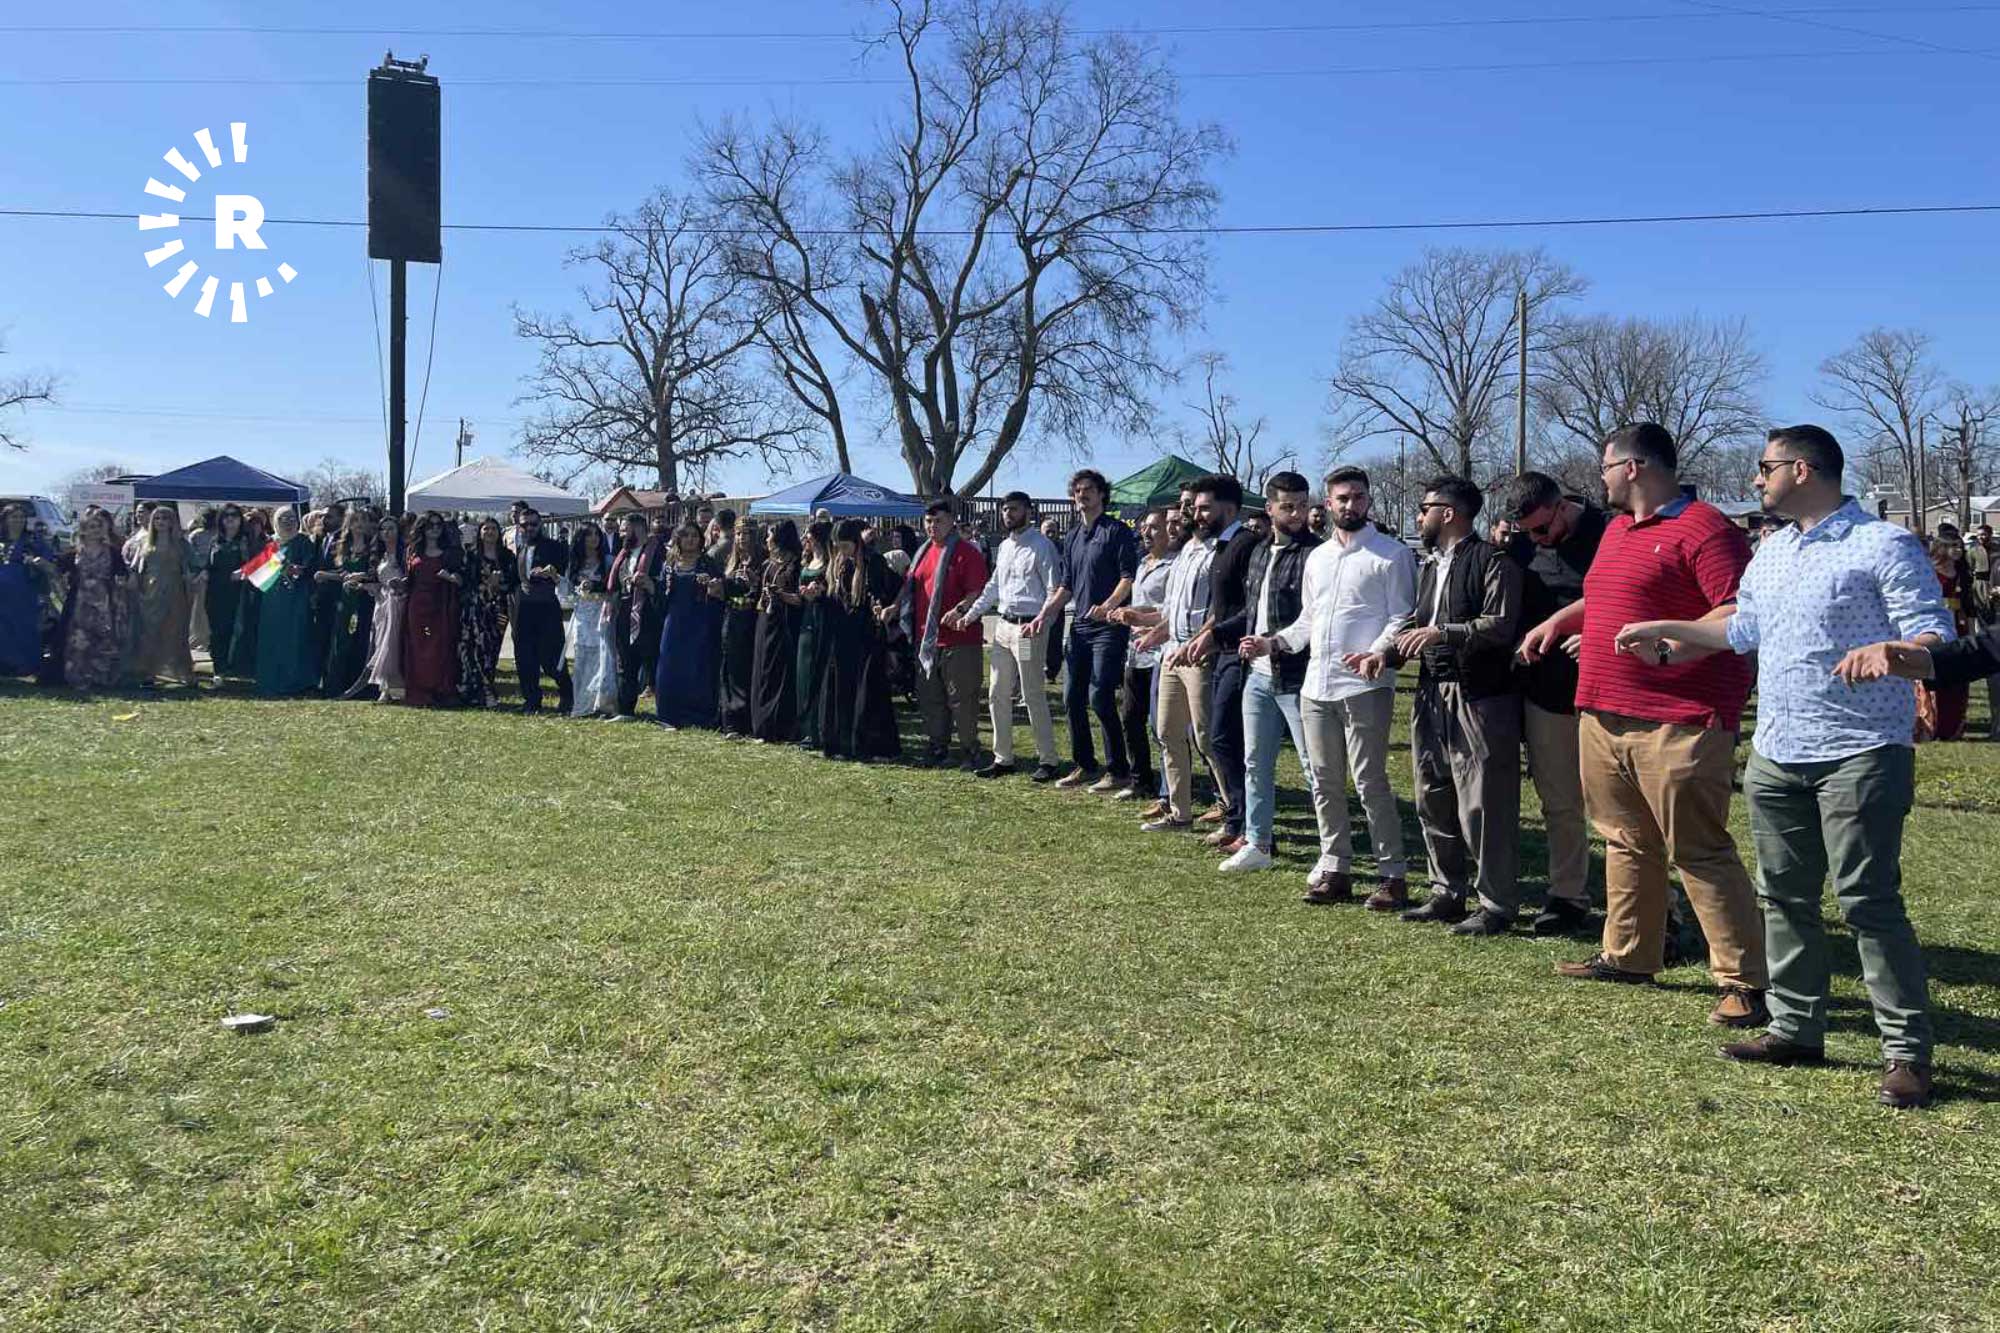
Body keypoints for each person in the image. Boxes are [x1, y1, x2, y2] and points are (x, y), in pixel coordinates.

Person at [1619, 425, 1952, 1110]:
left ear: (1801, 469)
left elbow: (1933, 633)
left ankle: (1906, 1052)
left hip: (1861, 750)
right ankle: (1796, 1029)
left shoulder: (1882, 544)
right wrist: (1670, 633)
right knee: (1784, 898)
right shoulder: (1770, 551)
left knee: (1868, 902)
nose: (1755, 479)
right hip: (1778, 751)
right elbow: (1739, 631)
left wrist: (1895, 651)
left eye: (1763, 467)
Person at [1521, 422, 1770, 1027]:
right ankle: (1630, 953)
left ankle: (1743, 979)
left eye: (1605, 466)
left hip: (1680, 717)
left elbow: (1739, 612)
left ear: (1633, 467)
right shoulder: (1616, 531)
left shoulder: (1706, 529)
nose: (1600, 478)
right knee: (1623, 838)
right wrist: (1559, 621)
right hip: (1603, 710)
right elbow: (1610, 597)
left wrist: (1671, 645)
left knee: (1698, 848)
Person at [1246, 467, 1418, 906]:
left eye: (1358, 497)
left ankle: (1392, 875)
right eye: (1342, 498)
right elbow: (1309, 620)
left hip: (1364, 686)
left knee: (1369, 782)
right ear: (1328, 503)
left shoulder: (1392, 554)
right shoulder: (1318, 558)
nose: (1350, 505)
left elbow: (1402, 616)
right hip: (1315, 686)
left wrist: (1378, 652)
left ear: (1368, 501)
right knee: (1323, 783)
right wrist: (1274, 642)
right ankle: (1335, 868)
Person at [1380, 476, 1524, 934]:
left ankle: (1495, 904)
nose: (1418, 516)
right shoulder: (1429, 566)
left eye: (1424, 508)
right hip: (1430, 691)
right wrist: (1383, 653)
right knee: (1432, 794)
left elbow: (1500, 625)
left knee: (1482, 803)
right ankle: (1446, 891)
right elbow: (1418, 622)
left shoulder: (1493, 561)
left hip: (1479, 695)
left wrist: (1444, 633)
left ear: (1447, 513)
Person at [1500, 471, 1610, 935]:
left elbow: (1634, 599)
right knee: (1560, 803)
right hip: (1546, 693)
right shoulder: (1523, 547)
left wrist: (1596, 634)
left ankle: (1658, 909)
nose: (1537, 539)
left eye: (1543, 528)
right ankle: (1567, 895)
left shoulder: (1610, 534)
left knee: (1620, 810)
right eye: (1527, 532)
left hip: (1606, 691)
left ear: (1563, 505)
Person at [1221, 473, 1323, 871]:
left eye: (1302, 505)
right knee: (1255, 762)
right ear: (1269, 508)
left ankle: (1331, 851)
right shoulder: (1260, 551)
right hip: (1258, 675)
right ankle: (1258, 842)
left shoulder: (1316, 554)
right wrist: (1231, 637)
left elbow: (1313, 619)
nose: (1297, 514)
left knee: (1314, 767)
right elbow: (1252, 610)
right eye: (1288, 506)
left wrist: (1274, 642)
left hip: (1298, 676)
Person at [1031, 470, 1140, 792]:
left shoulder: (1117, 531)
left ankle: (1118, 770)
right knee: (1071, 697)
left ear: (1102, 494)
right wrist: (1044, 615)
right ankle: (1086, 765)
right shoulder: (1073, 536)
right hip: (1079, 627)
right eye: (1077, 490)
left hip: (1109, 628)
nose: (1082, 494)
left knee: (1100, 696)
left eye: (1089, 489)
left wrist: (1108, 606)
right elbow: (1066, 585)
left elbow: (1128, 578)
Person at [1133, 485, 1227, 833]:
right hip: (1173, 652)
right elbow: (1173, 610)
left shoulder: (1220, 550)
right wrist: (1156, 633)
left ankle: (1234, 813)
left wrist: (1200, 640)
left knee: (1206, 737)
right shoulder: (1186, 550)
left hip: (1201, 655)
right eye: (1186, 506)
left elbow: (1221, 609)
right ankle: (1179, 812)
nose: (1188, 513)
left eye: (1194, 506)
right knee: (1167, 732)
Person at [954, 492, 1062, 781]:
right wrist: (970, 615)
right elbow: (993, 587)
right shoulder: (1003, 547)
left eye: (1014, 509)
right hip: (1003, 629)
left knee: (1031, 693)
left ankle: (1048, 760)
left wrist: (1042, 622)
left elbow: (1054, 591)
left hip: (1027, 632)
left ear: (1028, 511)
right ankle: (1003, 758)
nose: (1008, 514)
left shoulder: (1042, 546)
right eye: (1005, 510)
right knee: (997, 693)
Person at [1180, 475, 1260, 850]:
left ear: (1228, 509)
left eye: (1204, 508)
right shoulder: (1221, 547)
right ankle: (1238, 820)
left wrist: (1215, 635)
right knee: (1222, 738)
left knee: (1228, 738)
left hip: (1242, 654)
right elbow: (1221, 608)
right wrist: (1206, 637)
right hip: (1222, 652)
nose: (1196, 514)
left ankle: (1246, 824)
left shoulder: (1246, 545)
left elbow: (1251, 608)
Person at [891, 501, 988, 769]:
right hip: (926, 640)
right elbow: (909, 585)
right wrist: (893, 608)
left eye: (939, 521)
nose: (932, 526)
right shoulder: (922, 552)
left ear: (952, 521)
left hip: (960, 639)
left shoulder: (967, 553)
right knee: (930, 697)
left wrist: (960, 609)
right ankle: (938, 746)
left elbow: (977, 590)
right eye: (928, 521)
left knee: (962, 698)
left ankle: (970, 750)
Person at [1105, 507, 1174, 805]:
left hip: (1162, 653)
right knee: (1131, 718)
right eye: (1144, 527)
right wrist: (1123, 613)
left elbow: (1170, 612)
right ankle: (1141, 780)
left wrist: (1137, 615)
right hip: (1137, 653)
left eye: (1154, 527)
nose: (1146, 533)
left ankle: (1170, 788)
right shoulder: (1143, 563)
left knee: (1162, 726)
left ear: (1170, 531)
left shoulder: (1175, 565)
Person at [819, 519, 902, 761]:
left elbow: (888, 589)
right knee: (841, 688)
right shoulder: (838, 564)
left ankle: (875, 746)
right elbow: (834, 596)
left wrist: (881, 605)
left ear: (856, 543)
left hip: (867, 635)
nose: (841, 551)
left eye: (845, 546)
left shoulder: (873, 562)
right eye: (837, 546)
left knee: (869, 690)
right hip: (843, 635)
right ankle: (842, 743)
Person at [42, 509, 129, 690]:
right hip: (79, 602)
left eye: (99, 526)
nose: (96, 530)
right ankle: (77, 675)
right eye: (91, 527)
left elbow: (122, 573)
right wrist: (41, 564)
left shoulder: (113, 552)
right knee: (78, 640)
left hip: (104, 602)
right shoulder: (73, 553)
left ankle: (101, 677)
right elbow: (56, 571)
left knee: (103, 638)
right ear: (83, 530)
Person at [652, 522, 723, 729]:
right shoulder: (669, 564)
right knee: (670, 665)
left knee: (697, 665)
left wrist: (712, 585)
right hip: (674, 621)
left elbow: (720, 589)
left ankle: (698, 715)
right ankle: (669, 714)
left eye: (694, 536)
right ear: (679, 539)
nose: (690, 540)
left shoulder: (707, 563)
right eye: (686, 535)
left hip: (700, 620)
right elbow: (662, 595)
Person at [508, 507, 572, 715]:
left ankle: (567, 695)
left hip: (546, 607)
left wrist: (551, 573)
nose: (529, 528)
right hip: (522, 609)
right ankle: (532, 701)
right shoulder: (520, 548)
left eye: (533, 524)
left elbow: (563, 572)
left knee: (551, 656)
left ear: (540, 524)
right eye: (524, 525)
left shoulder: (555, 547)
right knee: (524, 657)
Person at [128, 504, 198, 688]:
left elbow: (196, 564)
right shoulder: (145, 543)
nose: (160, 522)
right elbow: (135, 567)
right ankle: (149, 674)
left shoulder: (182, 544)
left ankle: (184, 673)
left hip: (175, 591)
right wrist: (133, 581)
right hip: (150, 592)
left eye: (165, 518)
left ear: (172, 522)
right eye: (157, 518)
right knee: (150, 632)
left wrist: (192, 576)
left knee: (176, 632)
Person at [252, 507, 320, 697]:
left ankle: (298, 682)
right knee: (273, 637)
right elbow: (261, 573)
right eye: (283, 518)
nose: (288, 522)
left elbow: (309, 566)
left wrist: (297, 570)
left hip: (297, 598)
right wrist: (275, 566)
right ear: (275, 521)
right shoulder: (271, 543)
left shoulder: (303, 542)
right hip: (272, 599)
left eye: (291, 518)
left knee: (296, 637)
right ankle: (271, 679)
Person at [607, 513, 666, 721]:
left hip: (648, 612)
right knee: (625, 662)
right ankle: (625, 710)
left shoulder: (658, 551)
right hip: (624, 611)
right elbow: (615, 583)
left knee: (653, 662)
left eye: (625, 529)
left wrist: (650, 583)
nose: (622, 533)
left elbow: (666, 581)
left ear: (639, 528)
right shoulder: (623, 554)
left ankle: (665, 711)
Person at [750, 519, 803, 743]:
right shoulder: (767, 564)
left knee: (779, 671)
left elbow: (799, 598)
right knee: (762, 669)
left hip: (785, 623)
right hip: (765, 620)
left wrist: (780, 594)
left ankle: (779, 726)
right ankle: (761, 723)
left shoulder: (795, 564)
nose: (767, 540)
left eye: (770, 535)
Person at [402, 511, 461, 707]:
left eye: (438, 525)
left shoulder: (450, 552)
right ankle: (420, 690)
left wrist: (450, 577)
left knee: (439, 646)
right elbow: (409, 579)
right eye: (430, 525)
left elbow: (461, 580)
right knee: (417, 646)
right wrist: (399, 583)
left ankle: (441, 689)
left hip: (440, 604)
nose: (435, 529)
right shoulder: (412, 551)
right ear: (422, 528)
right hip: (417, 605)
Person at [1921, 526, 1975, 741]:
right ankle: (1932, 723)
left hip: (1959, 625)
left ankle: (1953, 726)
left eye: (1960, 546)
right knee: (1937, 670)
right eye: (1953, 546)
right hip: (1936, 623)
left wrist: (1970, 629)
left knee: (1958, 674)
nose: (1958, 550)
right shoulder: (1929, 571)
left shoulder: (1963, 573)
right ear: (1942, 548)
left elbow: (1969, 604)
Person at [349, 512, 408, 703]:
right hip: (381, 602)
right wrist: (360, 582)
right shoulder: (379, 555)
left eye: (391, 528)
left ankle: (397, 688)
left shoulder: (405, 553)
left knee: (394, 644)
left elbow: (410, 578)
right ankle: (385, 688)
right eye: (383, 529)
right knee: (381, 643)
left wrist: (401, 585)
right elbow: (376, 580)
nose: (387, 532)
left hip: (399, 602)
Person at [318, 509, 377, 698]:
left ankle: (360, 687)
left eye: (363, 520)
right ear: (348, 524)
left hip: (365, 600)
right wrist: (326, 575)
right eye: (355, 520)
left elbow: (375, 573)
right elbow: (342, 573)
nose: (359, 524)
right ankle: (336, 685)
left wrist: (361, 577)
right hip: (345, 600)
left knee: (362, 640)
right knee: (341, 640)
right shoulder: (342, 546)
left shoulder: (374, 547)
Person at [716, 520, 767, 736]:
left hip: (753, 620)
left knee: (748, 669)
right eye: (738, 534)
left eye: (746, 533)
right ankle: (729, 719)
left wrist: (754, 582)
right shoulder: (732, 561)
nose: (741, 538)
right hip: (732, 618)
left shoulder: (762, 562)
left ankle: (745, 719)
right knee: (730, 668)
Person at [565, 521, 618, 718]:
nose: (594, 538)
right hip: (582, 614)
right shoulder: (574, 562)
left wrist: (595, 588)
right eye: (589, 534)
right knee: (583, 656)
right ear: (581, 538)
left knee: (603, 655)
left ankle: (603, 703)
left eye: (597, 534)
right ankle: (582, 703)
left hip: (602, 611)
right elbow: (567, 591)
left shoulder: (608, 561)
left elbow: (614, 588)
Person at [0, 503, 55, 677]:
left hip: (25, 592)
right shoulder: (1, 541)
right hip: (2, 595)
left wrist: (38, 562)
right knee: (3, 628)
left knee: (25, 627)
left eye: (21, 517)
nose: (18, 520)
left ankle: (26, 665)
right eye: (14, 517)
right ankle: (5, 665)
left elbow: (50, 563)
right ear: (5, 519)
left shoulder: (32, 540)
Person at [794, 520, 835, 749]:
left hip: (824, 620)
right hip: (806, 619)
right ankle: (806, 728)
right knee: (804, 673)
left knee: (819, 672)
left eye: (808, 535)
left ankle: (820, 730)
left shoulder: (831, 563)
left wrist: (820, 592)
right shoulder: (808, 561)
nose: (805, 539)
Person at [201, 506, 253, 682]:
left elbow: (261, 563)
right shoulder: (216, 541)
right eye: (226, 516)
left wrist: (244, 571)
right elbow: (208, 564)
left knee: (238, 630)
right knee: (217, 631)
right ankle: (219, 669)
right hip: (216, 593)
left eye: (234, 515)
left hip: (240, 593)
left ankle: (238, 668)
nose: (230, 519)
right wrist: (204, 572)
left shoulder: (247, 540)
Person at [1038, 515, 1068, 687]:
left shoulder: (1064, 551)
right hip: (1033, 604)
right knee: (1026, 640)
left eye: (1053, 532)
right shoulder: (1034, 548)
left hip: (1056, 602)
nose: (1050, 535)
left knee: (1054, 639)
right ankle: (1022, 671)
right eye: (1047, 531)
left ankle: (1051, 671)